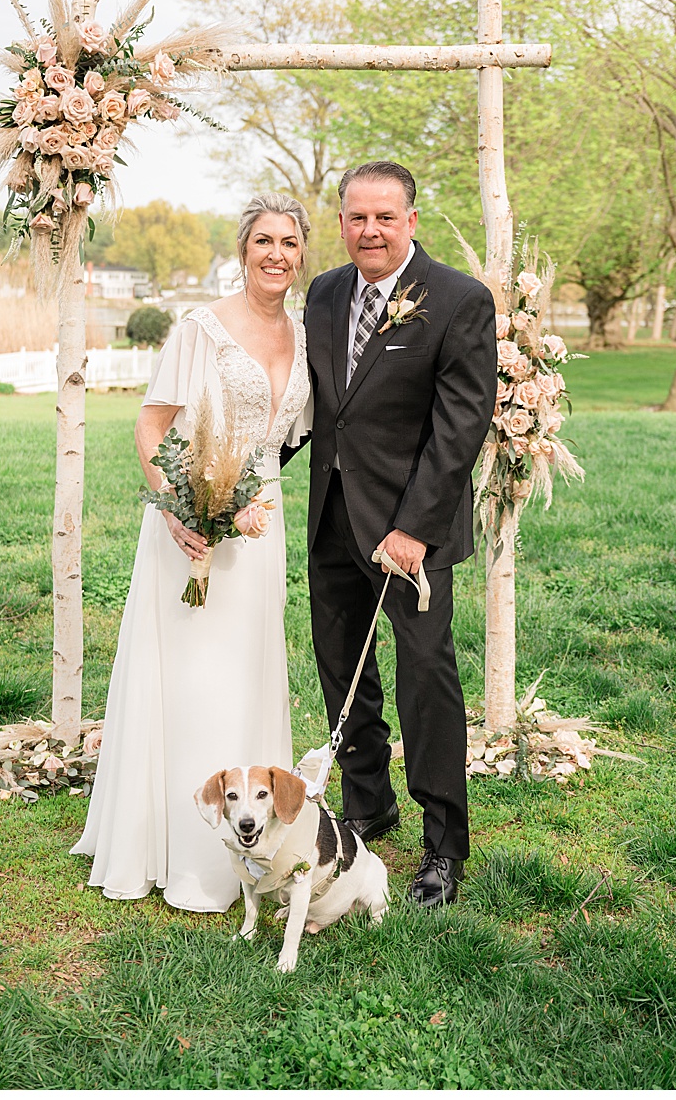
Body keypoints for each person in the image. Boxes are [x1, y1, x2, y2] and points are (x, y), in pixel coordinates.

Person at [73, 193, 312, 911]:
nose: (277, 253)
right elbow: (150, 429)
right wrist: (179, 509)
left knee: (246, 674)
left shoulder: (304, 334)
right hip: (192, 528)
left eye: (290, 242)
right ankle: (178, 850)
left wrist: (249, 501)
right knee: (193, 681)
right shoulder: (200, 328)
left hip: (260, 530)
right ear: (243, 251)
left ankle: (257, 840)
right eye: (264, 240)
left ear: (303, 255)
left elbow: (290, 440)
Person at [291, 160, 496, 906]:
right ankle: (367, 804)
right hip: (332, 515)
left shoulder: (457, 301)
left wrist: (414, 528)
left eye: (384, 216)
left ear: (412, 220)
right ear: (341, 221)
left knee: (425, 680)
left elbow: (460, 425)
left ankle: (443, 845)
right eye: (356, 217)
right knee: (344, 671)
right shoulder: (324, 293)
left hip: (411, 533)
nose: (369, 230)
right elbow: (316, 404)